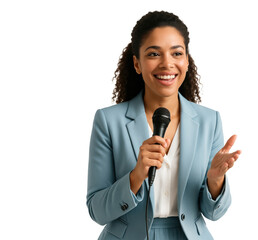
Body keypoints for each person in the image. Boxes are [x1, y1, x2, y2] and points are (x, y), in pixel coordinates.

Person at [86, 11, 241, 240]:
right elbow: (96, 210)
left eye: (176, 53)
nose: (167, 63)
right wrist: (136, 175)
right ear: (137, 63)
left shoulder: (209, 121)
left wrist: (215, 180)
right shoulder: (109, 121)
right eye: (154, 54)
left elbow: (214, 213)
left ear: (187, 61)